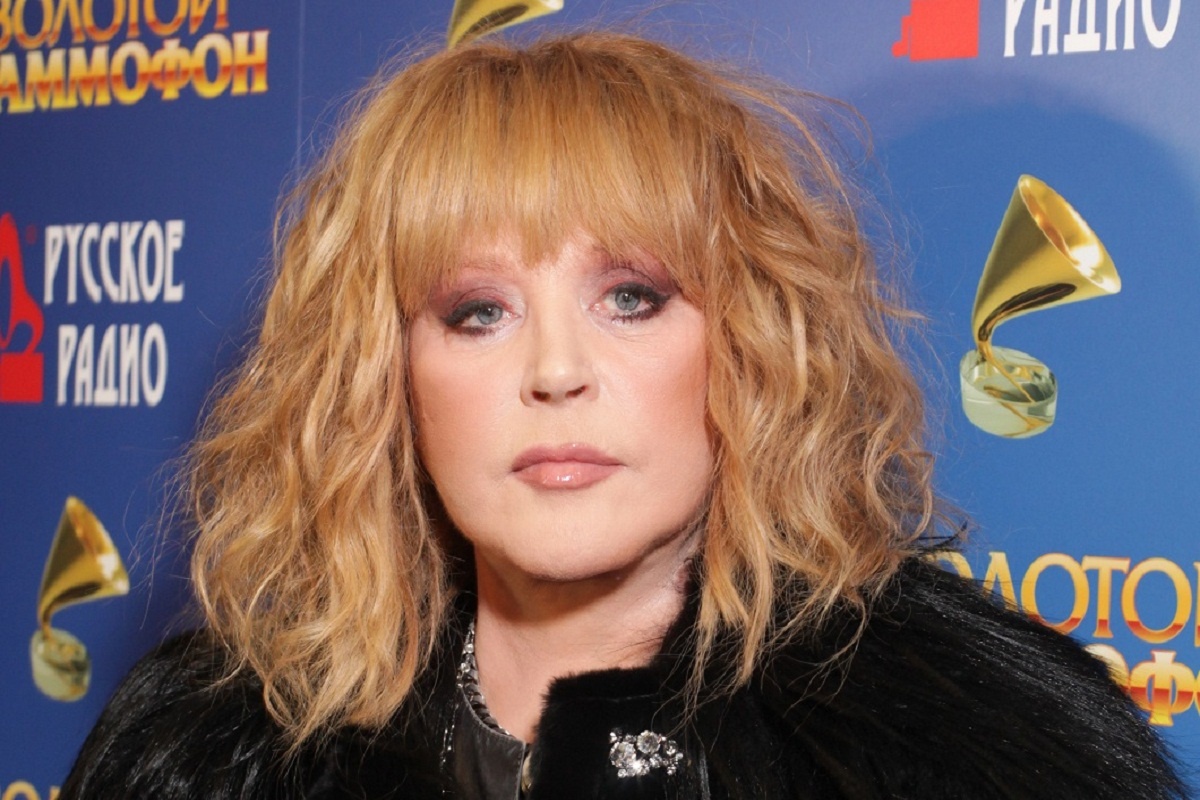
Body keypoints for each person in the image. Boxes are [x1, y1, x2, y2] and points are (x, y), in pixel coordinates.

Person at [61, 31, 1185, 800]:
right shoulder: (208, 752)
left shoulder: (957, 746)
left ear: (748, 342)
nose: (556, 371)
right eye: (478, 311)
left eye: (631, 298)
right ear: (385, 376)